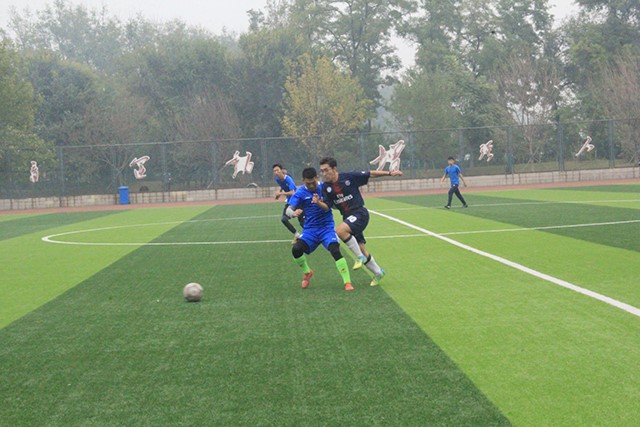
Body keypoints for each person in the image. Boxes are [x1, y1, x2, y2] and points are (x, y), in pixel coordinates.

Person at [318, 156, 402, 286]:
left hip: (359, 213)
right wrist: (318, 202)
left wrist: (390, 173)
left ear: (334, 169)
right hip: (347, 217)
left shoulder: (348, 177)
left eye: (326, 170)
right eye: (322, 171)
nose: (324, 174)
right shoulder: (325, 187)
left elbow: (370, 174)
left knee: (340, 231)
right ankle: (378, 272)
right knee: (361, 248)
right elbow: (328, 206)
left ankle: (359, 258)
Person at [286, 167, 354, 291]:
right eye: (308, 183)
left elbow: (334, 204)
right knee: (296, 249)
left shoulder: (325, 188)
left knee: (335, 249)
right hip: (310, 230)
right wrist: (293, 213)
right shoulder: (300, 192)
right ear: (303, 181)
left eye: (313, 182)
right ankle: (307, 272)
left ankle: (347, 282)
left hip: (327, 229)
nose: (312, 185)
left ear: (317, 177)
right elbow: (288, 210)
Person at [273, 163, 304, 243]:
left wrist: (281, 193)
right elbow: (282, 186)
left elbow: (293, 192)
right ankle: (298, 235)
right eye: (274, 171)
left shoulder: (288, 179)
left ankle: (314, 235)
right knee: (284, 219)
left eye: (277, 170)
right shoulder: (277, 179)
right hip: (290, 202)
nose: (276, 172)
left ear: (281, 170)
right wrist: (278, 194)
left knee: (303, 223)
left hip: (297, 201)